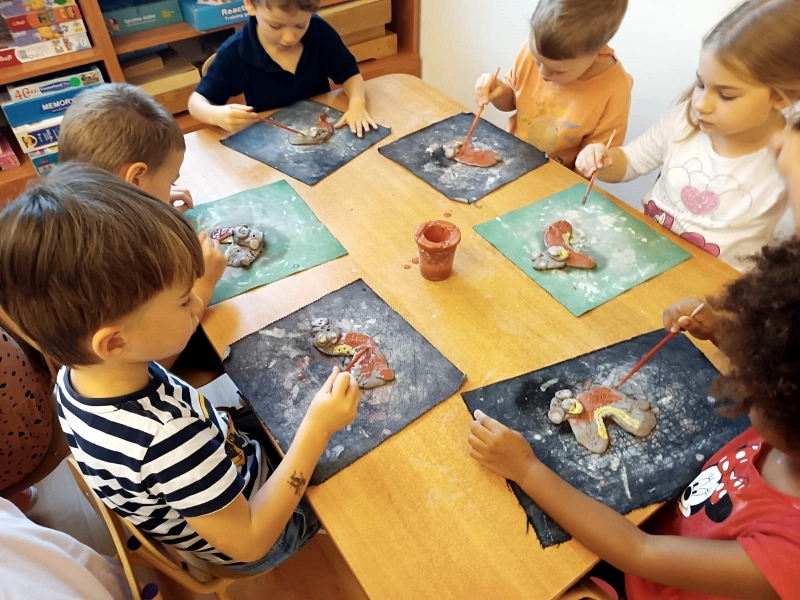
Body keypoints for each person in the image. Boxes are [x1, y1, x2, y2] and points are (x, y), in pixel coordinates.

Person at [0, 163, 362, 573]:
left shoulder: (79, 374)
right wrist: (316, 430)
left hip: (219, 466)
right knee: (361, 475)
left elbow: (159, 354)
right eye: (183, 299)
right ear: (114, 342)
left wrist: (201, 287)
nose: (195, 302)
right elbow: (250, 541)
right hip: (257, 530)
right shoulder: (167, 440)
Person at [468, 235, 800, 599]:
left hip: (643, 580)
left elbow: (637, 552)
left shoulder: (788, 557)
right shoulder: (789, 422)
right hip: (654, 521)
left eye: (753, 381)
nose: (743, 380)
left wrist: (526, 469)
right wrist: (721, 331)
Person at [575, 0, 800, 272]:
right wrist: (602, 160)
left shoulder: (790, 153)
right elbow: (630, 162)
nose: (701, 104)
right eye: (701, 84)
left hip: (714, 283)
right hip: (644, 255)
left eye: (726, 95)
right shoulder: (684, 120)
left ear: (780, 97)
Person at [58, 83, 228, 372]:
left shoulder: (70, 210)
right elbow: (151, 364)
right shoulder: (104, 260)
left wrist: (149, 204)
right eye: (170, 181)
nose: (172, 187)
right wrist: (204, 286)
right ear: (135, 178)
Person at [474, 0, 632, 170]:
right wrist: (498, 91)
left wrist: (593, 159)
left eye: (558, 71)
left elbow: (598, 163)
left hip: (557, 179)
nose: (543, 73)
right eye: (537, 60)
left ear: (595, 52)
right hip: (510, 158)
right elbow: (511, 101)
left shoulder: (614, 90)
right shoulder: (532, 48)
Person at [188, 0, 376, 136]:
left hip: (320, 127)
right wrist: (217, 115)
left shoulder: (320, 32)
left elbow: (350, 74)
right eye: (275, 26)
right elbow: (196, 102)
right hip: (270, 139)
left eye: (300, 25)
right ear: (250, 5)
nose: (289, 38)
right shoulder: (236, 51)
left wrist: (357, 105)